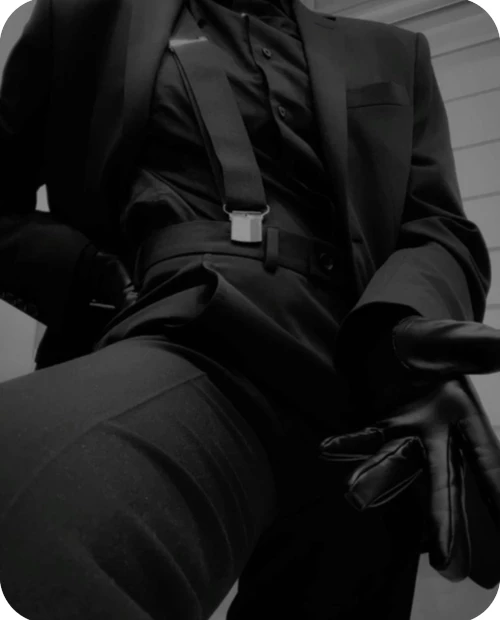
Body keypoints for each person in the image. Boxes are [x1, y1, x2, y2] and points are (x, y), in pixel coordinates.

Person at [0, 0, 494, 619]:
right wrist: (90, 278)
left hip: (374, 397)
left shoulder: (396, 52)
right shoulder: (86, 16)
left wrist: (404, 338)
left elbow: (439, 226)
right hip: (197, 330)